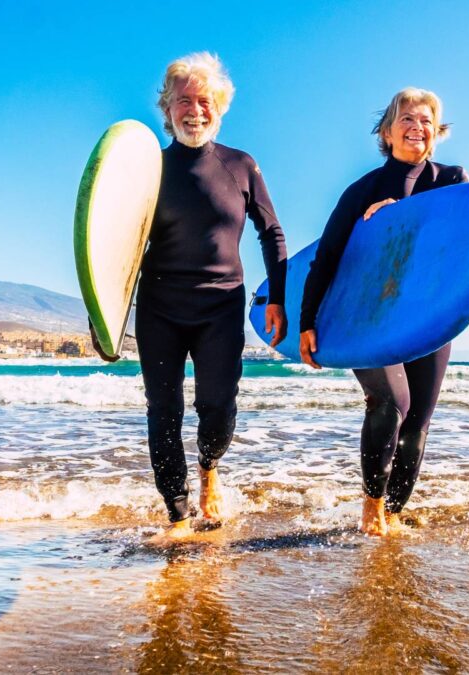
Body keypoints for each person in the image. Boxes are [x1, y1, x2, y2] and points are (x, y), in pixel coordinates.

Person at [299, 88, 468, 536]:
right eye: (406, 119)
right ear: (387, 132)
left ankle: (393, 514)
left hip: (427, 317)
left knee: (418, 422)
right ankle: (372, 509)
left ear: (437, 132)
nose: (417, 127)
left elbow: (463, 245)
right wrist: (307, 322)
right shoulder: (363, 191)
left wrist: (406, 219)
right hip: (369, 317)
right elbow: (328, 258)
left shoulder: (452, 181)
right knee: (392, 402)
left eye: (426, 120)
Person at [136, 52, 287, 541]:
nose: (195, 111)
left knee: (218, 407)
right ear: (168, 108)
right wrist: (105, 314)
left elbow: (271, 232)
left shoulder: (240, 165)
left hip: (221, 306)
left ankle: (209, 467)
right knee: (163, 411)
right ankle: (178, 515)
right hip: (160, 305)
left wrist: (278, 298)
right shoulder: (150, 170)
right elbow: (117, 242)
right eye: (184, 101)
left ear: (219, 107)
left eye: (205, 101)